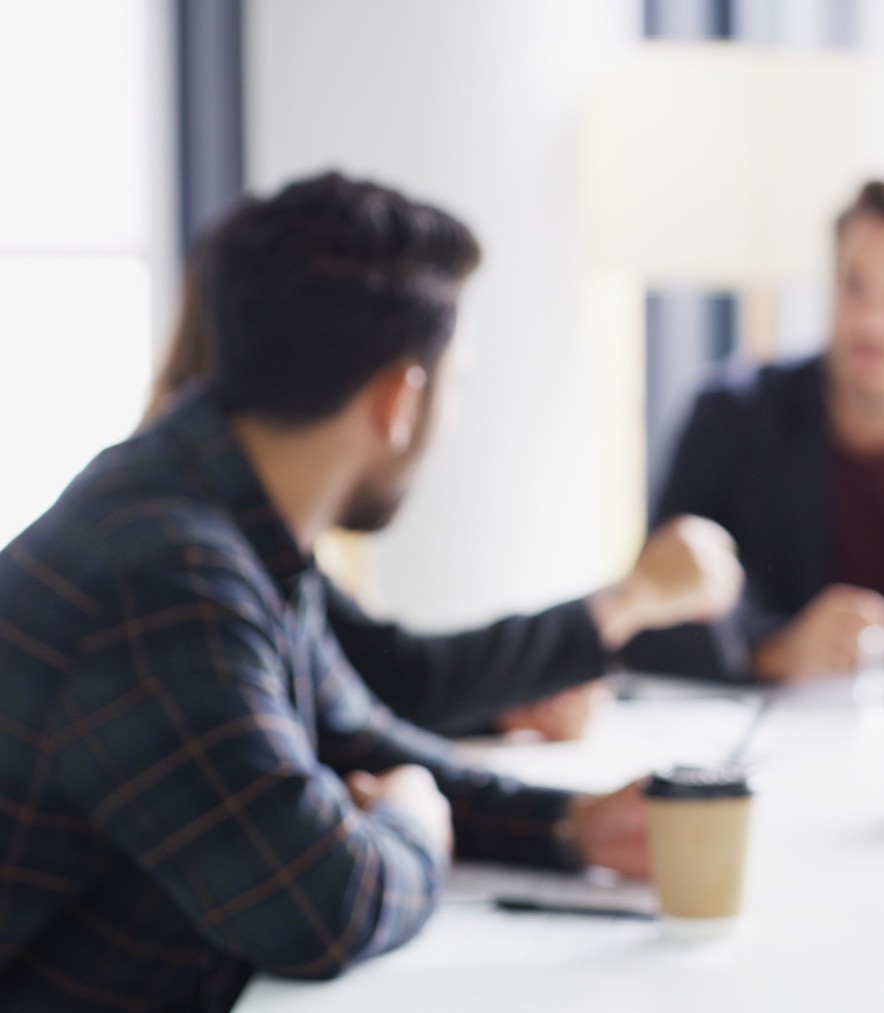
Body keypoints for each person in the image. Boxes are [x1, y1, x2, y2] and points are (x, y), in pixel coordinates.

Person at [0, 173, 658, 1010]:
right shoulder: (167, 573)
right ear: (398, 399)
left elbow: (359, 740)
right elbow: (322, 906)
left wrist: (570, 824)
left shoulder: (216, 505)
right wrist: (415, 827)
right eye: (457, 382)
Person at [143, 265, 745, 741]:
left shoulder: (216, 506)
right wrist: (628, 600)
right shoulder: (193, 558)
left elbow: (364, 691)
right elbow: (403, 679)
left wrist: (498, 714)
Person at [623, 179, 884, 682]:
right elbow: (648, 625)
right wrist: (776, 652)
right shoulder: (731, 415)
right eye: (853, 284)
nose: (871, 321)